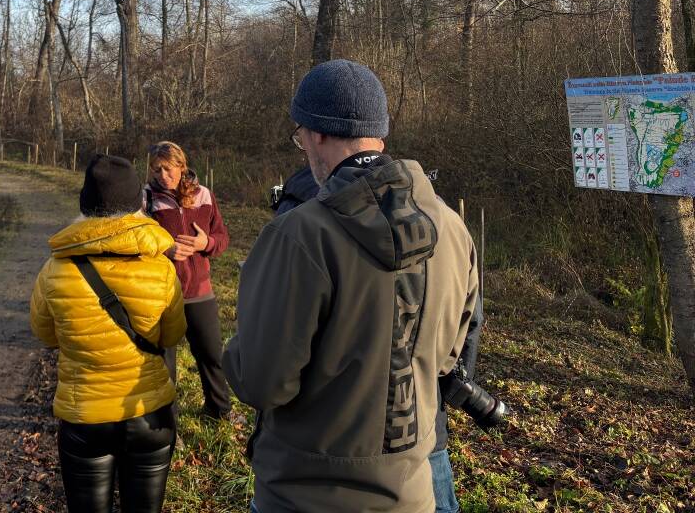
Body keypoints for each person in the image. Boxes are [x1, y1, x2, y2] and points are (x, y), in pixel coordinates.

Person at [223, 59, 480, 513]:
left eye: (299, 134)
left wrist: (234, 349)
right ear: (377, 134)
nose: (301, 146)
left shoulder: (298, 235)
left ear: (318, 132)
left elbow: (261, 383)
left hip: (303, 495)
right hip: (411, 490)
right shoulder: (452, 229)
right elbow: (448, 356)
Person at [270, 165, 486, 513]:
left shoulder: (302, 219)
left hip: (322, 460)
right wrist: (441, 386)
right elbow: (467, 326)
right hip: (421, 433)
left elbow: (266, 378)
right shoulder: (444, 221)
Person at [31, 154, 186, 513]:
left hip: (84, 416)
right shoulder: (161, 268)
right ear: (138, 204)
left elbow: (46, 335)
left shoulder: (55, 270)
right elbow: (171, 336)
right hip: (147, 412)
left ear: (84, 204)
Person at [144, 141, 232, 421]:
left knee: (211, 356)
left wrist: (206, 242)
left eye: (168, 169)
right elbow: (137, 240)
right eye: (157, 170)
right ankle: (166, 421)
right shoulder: (146, 198)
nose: (162, 176)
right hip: (162, 293)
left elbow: (222, 239)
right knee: (164, 364)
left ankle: (219, 411)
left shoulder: (204, 195)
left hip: (200, 292)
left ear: (182, 167)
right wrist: (164, 248)